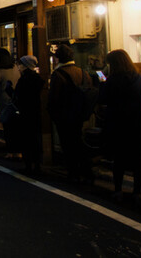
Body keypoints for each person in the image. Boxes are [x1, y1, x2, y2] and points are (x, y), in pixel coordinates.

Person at [98, 49, 141, 202]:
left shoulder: (113, 80)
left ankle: (118, 190)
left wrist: (102, 81)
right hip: (137, 125)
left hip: (118, 126)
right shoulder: (138, 78)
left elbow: (103, 98)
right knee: (138, 161)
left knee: (119, 160)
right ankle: (137, 192)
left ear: (114, 64)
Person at [47, 44, 94, 183]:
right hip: (81, 115)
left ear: (58, 58)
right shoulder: (83, 72)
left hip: (64, 116)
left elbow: (53, 98)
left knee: (67, 144)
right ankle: (87, 172)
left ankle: (73, 173)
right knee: (79, 141)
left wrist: (53, 114)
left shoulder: (58, 75)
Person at [13, 55, 45, 174]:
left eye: (20, 64)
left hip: (25, 112)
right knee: (35, 139)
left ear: (26, 65)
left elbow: (18, 95)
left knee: (26, 139)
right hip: (36, 112)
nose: (19, 66)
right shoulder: (38, 79)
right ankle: (37, 165)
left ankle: (28, 165)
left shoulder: (24, 79)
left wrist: (9, 90)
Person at [0, 48, 21, 159]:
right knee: (16, 127)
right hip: (16, 100)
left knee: (7, 128)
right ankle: (18, 151)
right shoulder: (15, 67)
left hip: (3, 101)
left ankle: (10, 151)